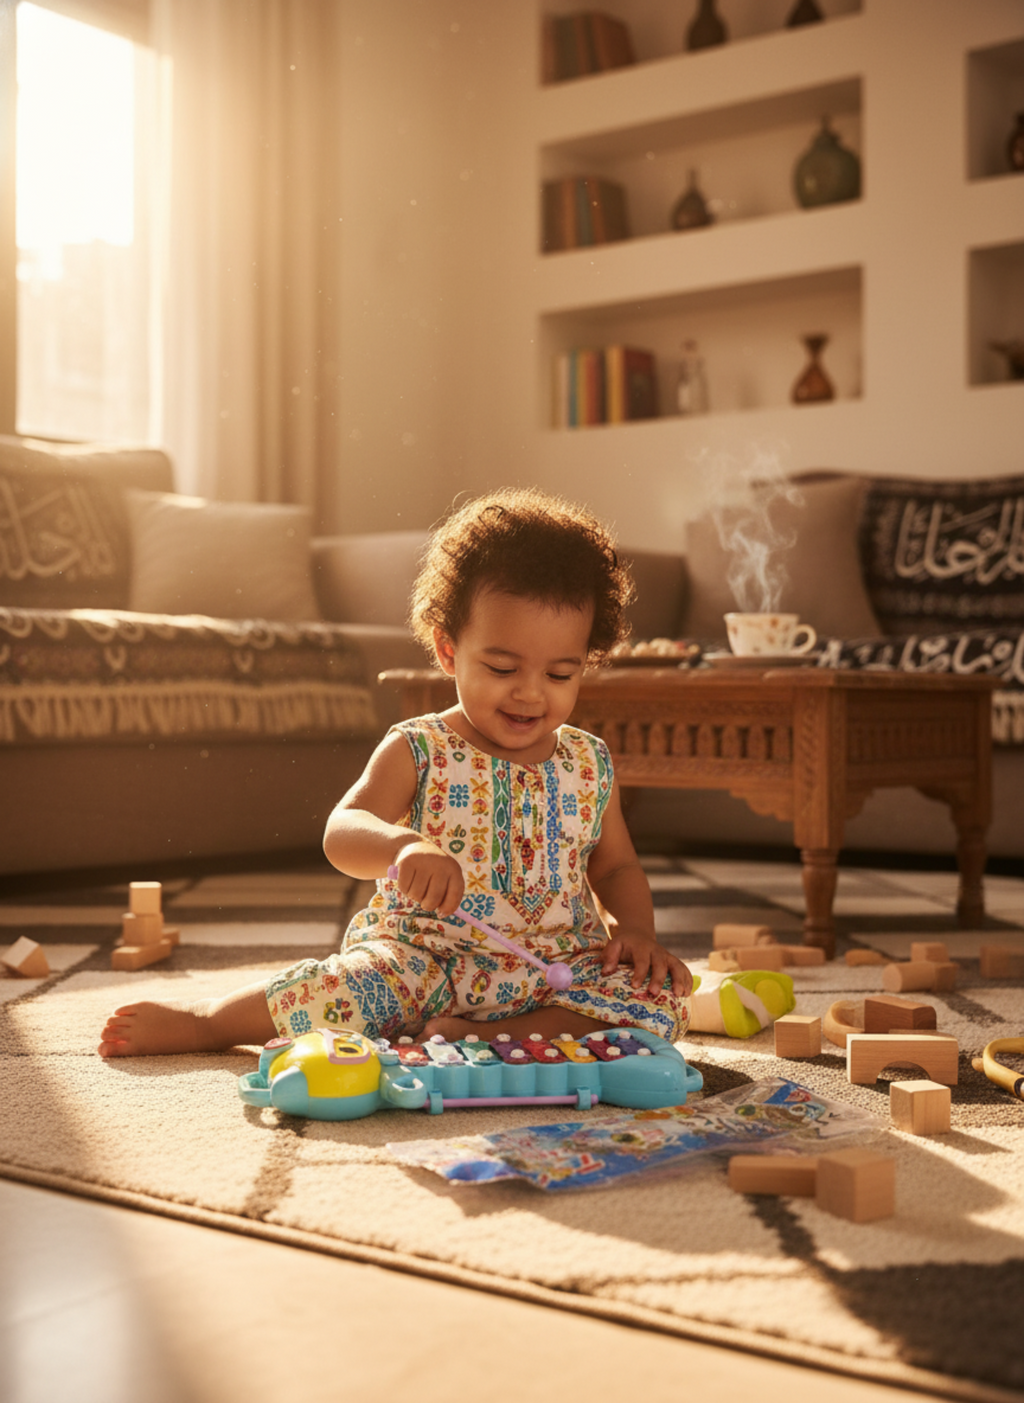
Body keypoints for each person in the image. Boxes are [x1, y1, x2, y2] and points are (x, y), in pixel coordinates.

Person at [98, 487, 692, 1058]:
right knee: (339, 990)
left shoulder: (588, 763)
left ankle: (491, 1035)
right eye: (502, 667)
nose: (531, 693)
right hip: (419, 965)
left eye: (560, 674)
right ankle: (209, 1022)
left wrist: (636, 932)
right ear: (449, 650)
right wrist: (402, 847)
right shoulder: (420, 747)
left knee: (664, 998)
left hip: (551, 971)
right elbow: (343, 829)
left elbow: (616, 866)